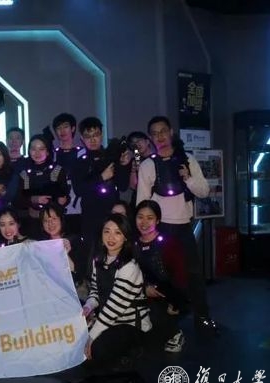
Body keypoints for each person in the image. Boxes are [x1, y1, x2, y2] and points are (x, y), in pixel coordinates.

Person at [136, 115, 217, 333]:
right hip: (160, 229)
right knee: (162, 276)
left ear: (171, 132)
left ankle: (203, 318)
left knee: (194, 274)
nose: (160, 137)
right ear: (151, 138)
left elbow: (204, 191)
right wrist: (144, 229)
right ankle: (166, 323)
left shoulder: (187, 159)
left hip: (183, 227)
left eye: (163, 131)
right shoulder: (148, 165)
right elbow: (142, 203)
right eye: (155, 134)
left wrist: (188, 177)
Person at [82, 213, 151, 368]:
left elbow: (114, 308)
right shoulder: (98, 260)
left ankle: (133, 351)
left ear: (125, 237)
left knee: (96, 349)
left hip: (131, 325)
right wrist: (88, 306)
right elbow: (95, 291)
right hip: (109, 321)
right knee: (79, 345)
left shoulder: (130, 266)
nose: (111, 237)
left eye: (117, 232)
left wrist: (91, 336)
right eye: (107, 231)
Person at [70, 117, 131, 282]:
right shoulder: (79, 162)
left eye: (96, 135)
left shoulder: (112, 155)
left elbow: (123, 185)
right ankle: (92, 289)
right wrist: (101, 178)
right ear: (82, 138)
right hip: (90, 217)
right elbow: (79, 189)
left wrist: (124, 165)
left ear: (101, 135)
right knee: (92, 256)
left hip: (112, 214)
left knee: (114, 254)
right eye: (88, 136)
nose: (93, 139)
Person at [134, 200, 189, 353]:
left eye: (149, 218)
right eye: (140, 217)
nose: (144, 222)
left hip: (165, 295)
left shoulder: (168, 242)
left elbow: (180, 275)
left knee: (156, 319)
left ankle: (175, 333)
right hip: (140, 291)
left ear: (157, 220)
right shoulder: (132, 244)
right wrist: (144, 288)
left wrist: (175, 302)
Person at [18, 134, 69, 237]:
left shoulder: (57, 170)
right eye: (33, 149)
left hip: (53, 222)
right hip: (33, 221)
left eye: (41, 149)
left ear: (47, 151)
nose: (37, 153)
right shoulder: (24, 173)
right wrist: (35, 199)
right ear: (29, 151)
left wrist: (63, 200)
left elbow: (65, 196)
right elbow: (19, 200)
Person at [52, 113, 83, 236]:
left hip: (79, 206)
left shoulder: (82, 153)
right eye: (58, 128)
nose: (62, 131)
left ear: (73, 128)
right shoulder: (52, 155)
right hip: (58, 208)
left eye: (65, 126)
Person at [38, 204, 79, 278]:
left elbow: (77, 274)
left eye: (54, 219)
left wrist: (65, 254)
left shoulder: (74, 241)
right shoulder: (40, 245)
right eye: (46, 220)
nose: (50, 223)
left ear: (61, 219)